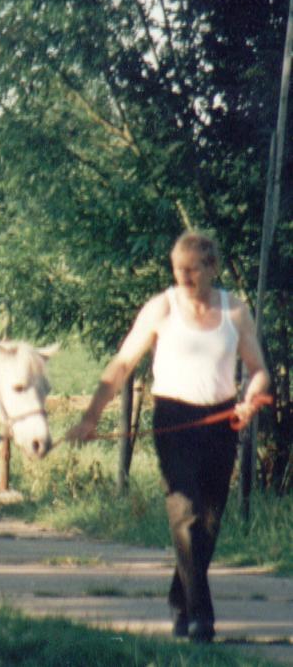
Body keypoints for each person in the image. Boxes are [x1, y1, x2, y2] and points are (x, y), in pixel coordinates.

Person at [66, 230, 270, 643]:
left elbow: (258, 368)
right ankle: (201, 617)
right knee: (185, 513)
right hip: (173, 418)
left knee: (209, 520)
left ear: (212, 267)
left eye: (194, 270)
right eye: (179, 270)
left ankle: (181, 596)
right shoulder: (162, 308)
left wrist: (251, 397)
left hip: (220, 422)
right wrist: (91, 416)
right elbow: (123, 362)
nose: (186, 278)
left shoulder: (235, 311)